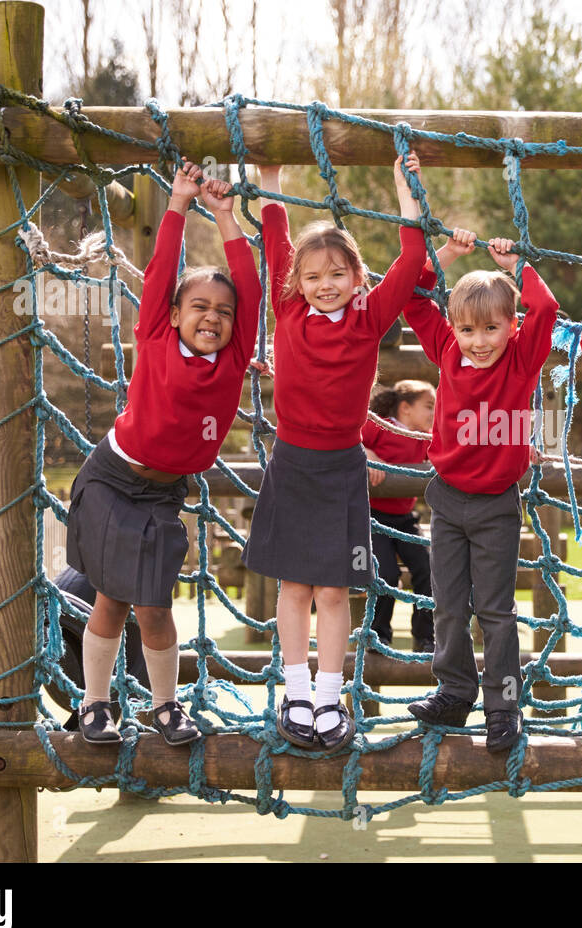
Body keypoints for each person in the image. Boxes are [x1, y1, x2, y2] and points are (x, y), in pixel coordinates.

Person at [68, 161, 260, 746]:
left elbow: (248, 288)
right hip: (112, 475)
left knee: (153, 605)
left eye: (222, 312)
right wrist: (176, 204)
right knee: (112, 598)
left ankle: (165, 707)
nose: (212, 317)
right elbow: (160, 271)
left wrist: (226, 217)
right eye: (199, 307)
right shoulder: (154, 335)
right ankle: (96, 704)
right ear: (174, 314)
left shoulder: (233, 358)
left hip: (162, 492)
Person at [244, 154, 429, 754]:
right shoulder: (288, 308)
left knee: (334, 591)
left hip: (342, 468)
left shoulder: (371, 318)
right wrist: (271, 181)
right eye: (314, 274)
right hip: (294, 464)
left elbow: (410, 262)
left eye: (338, 274)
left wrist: (406, 193)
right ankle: (294, 690)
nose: (325, 284)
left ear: (356, 277)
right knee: (295, 588)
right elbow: (274, 238)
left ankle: (329, 694)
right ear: (298, 281)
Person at [401, 228, 560, 754]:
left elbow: (548, 308)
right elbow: (413, 300)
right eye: (468, 329)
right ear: (454, 328)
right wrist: (442, 257)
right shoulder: (447, 350)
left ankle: (503, 706)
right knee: (448, 603)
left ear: (512, 327)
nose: (479, 340)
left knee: (495, 610)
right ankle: (454, 691)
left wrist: (514, 267)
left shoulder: (521, 358)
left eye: (492, 328)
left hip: (495, 504)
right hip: (446, 498)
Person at [362, 380, 436, 653]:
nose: (433, 415)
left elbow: (446, 455)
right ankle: (378, 635)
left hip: (405, 519)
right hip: (373, 518)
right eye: (429, 407)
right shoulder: (379, 425)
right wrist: (367, 453)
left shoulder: (425, 437)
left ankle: (426, 637)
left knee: (428, 571)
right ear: (405, 408)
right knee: (386, 574)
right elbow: (348, 440)